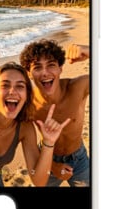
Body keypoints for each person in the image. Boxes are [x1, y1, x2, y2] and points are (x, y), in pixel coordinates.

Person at [0, 62, 70, 187]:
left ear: (26, 96)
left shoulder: (25, 127)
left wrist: (49, 143)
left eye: (20, 86)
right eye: (5, 85)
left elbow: (38, 181)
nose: (12, 91)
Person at [19, 40, 90, 186]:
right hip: (46, 157)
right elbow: (30, 147)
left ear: (60, 69)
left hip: (79, 158)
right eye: (37, 67)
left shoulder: (77, 87)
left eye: (51, 65)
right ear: (28, 73)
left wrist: (92, 51)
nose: (45, 73)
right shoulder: (27, 103)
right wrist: (53, 166)